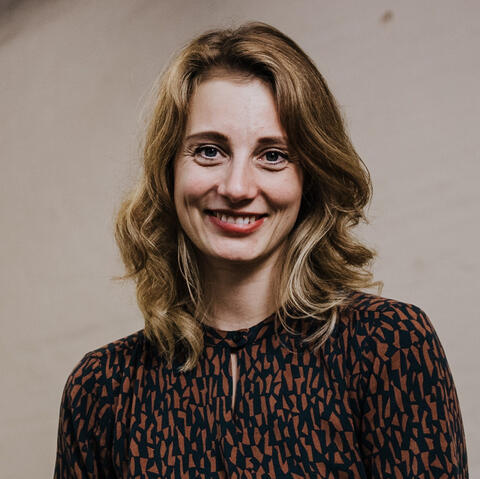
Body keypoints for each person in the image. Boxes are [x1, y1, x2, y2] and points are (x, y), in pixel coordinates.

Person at [54, 21, 468, 478]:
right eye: (209, 151)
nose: (237, 187)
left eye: (273, 155)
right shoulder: (100, 391)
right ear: (168, 171)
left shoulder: (388, 346)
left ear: (309, 177)